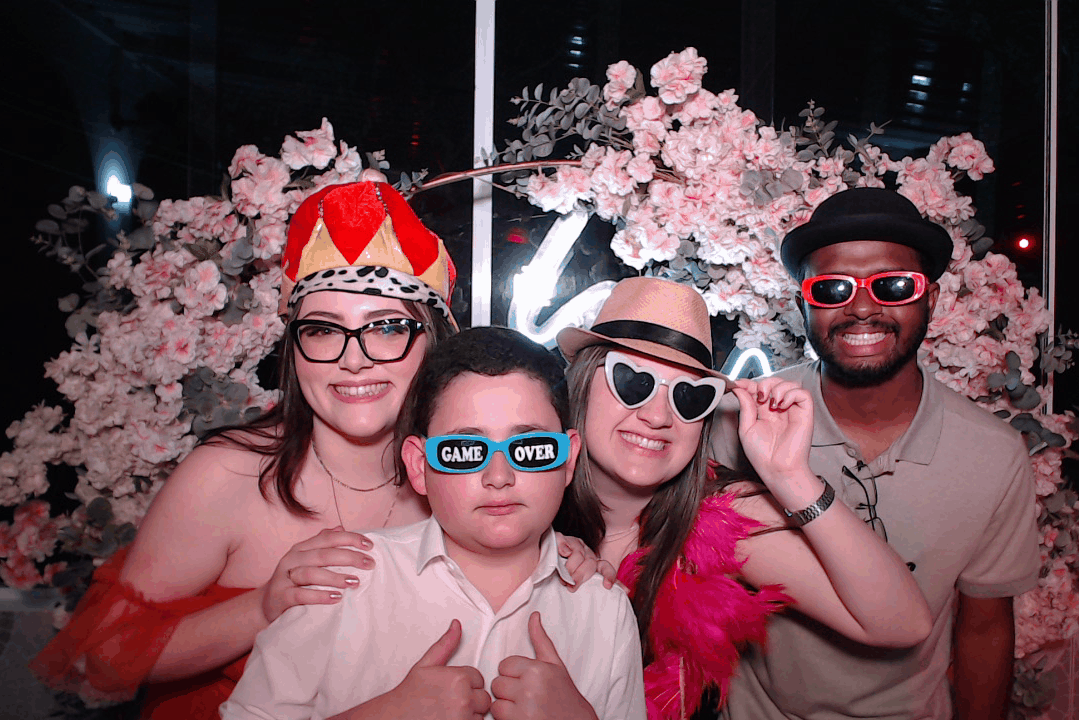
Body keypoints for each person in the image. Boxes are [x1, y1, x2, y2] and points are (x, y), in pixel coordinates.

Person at [30, 182, 606, 719]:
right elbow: (96, 661)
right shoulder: (229, 474)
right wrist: (263, 607)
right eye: (324, 330)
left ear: (432, 342)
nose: (353, 359)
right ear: (294, 348)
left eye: (386, 328)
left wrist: (554, 555)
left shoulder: (465, 479)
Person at [712, 187, 1040, 720]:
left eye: (893, 285)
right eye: (832, 289)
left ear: (931, 299)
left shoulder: (993, 456)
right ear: (802, 306)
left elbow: (984, 629)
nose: (863, 308)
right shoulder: (739, 425)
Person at [554, 275, 934, 720]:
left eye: (689, 397)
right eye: (633, 382)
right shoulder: (518, 493)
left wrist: (792, 478)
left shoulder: (723, 519)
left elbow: (903, 624)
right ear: (583, 384)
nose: (658, 417)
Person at [221, 326, 646, 720]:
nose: (499, 476)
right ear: (418, 466)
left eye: (530, 447)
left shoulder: (604, 610)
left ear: (568, 460)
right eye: (465, 450)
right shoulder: (342, 580)